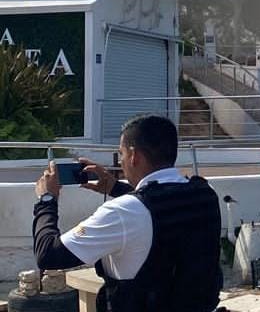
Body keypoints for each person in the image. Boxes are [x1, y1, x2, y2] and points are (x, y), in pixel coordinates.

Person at [32, 114, 224, 312]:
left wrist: (46, 200)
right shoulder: (204, 194)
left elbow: (49, 255)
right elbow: (165, 208)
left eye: (121, 154)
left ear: (134, 156)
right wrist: (114, 187)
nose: (121, 162)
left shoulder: (123, 212)